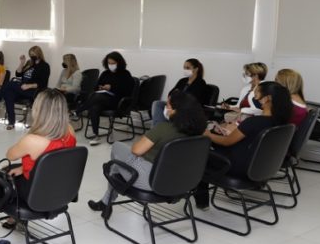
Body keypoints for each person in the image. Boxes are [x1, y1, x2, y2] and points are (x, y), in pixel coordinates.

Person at [88, 91, 207, 218]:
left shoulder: (164, 128)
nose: (165, 108)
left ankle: (106, 202)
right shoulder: (199, 134)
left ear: (176, 110)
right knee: (116, 167)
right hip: (181, 183)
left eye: (167, 105)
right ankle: (105, 203)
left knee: (116, 150)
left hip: (151, 181)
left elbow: (136, 150)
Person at [195, 82, 293, 210]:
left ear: (267, 98)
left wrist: (207, 134)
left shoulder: (253, 122)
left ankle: (201, 201)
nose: (255, 97)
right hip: (260, 167)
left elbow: (226, 142)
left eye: (257, 93)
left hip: (237, 167)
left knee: (200, 154)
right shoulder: (282, 124)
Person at [1, 89, 77, 228]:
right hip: (62, 189)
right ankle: (14, 218)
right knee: (15, 170)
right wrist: (24, 167)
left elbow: (10, 155)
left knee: (0, 174)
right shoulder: (70, 130)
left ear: (39, 110)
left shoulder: (32, 140)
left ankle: (14, 216)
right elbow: (56, 160)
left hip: (36, 194)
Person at [0, 46, 51, 130]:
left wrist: (29, 85)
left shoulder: (45, 66)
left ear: (39, 54)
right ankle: (11, 122)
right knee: (8, 93)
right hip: (21, 88)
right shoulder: (30, 63)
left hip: (33, 91)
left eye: (34, 54)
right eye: (30, 54)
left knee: (9, 84)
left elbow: (43, 83)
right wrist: (22, 63)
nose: (32, 56)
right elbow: (18, 74)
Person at [75, 51, 135, 145]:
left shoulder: (125, 74)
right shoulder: (105, 73)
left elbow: (127, 91)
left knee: (97, 96)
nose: (111, 65)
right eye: (109, 63)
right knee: (95, 107)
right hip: (103, 100)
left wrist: (111, 87)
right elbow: (95, 87)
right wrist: (100, 87)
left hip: (117, 101)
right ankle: (96, 135)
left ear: (119, 63)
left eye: (113, 63)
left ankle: (79, 110)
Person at [151, 58, 208, 126]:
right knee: (157, 103)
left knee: (175, 110)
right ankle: (158, 128)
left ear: (196, 69)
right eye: (184, 68)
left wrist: (177, 95)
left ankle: (162, 128)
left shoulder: (201, 83)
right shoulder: (182, 81)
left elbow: (192, 98)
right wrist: (170, 101)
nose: (185, 70)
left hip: (187, 108)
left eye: (188, 68)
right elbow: (171, 93)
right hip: (175, 105)